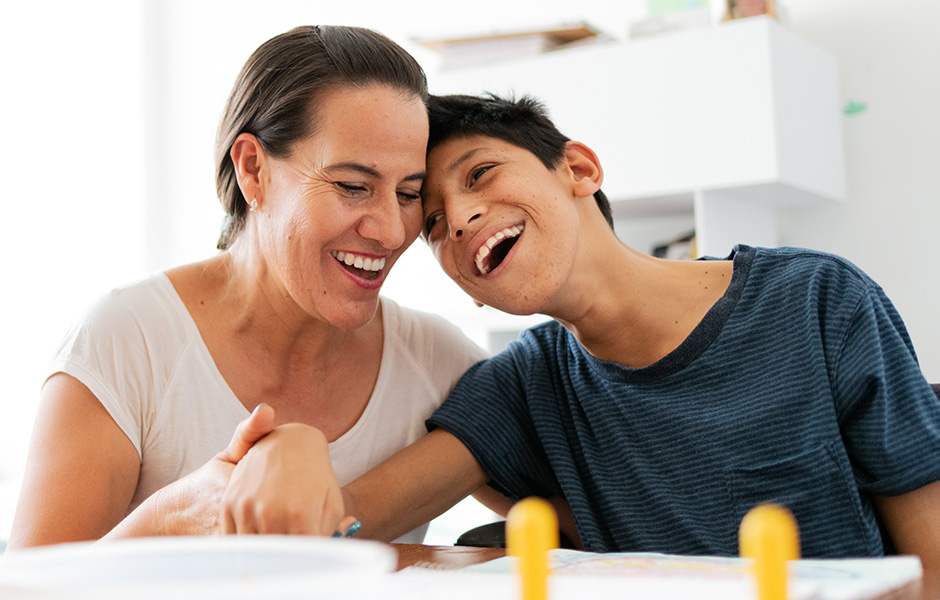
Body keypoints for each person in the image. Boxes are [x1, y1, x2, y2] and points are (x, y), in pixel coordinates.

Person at [222, 92, 940, 589]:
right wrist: (292, 446)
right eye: (436, 226)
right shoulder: (523, 386)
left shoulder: (817, 302)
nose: (464, 218)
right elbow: (344, 520)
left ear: (579, 169)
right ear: (467, 288)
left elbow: (930, 560)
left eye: (480, 175)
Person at [6, 26, 486, 549]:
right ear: (253, 170)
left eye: (409, 193)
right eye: (352, 186)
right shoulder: (129, 340)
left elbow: (572, 510)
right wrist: (173, 516)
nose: (393, 231)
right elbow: (32, 585)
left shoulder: (436, 362)